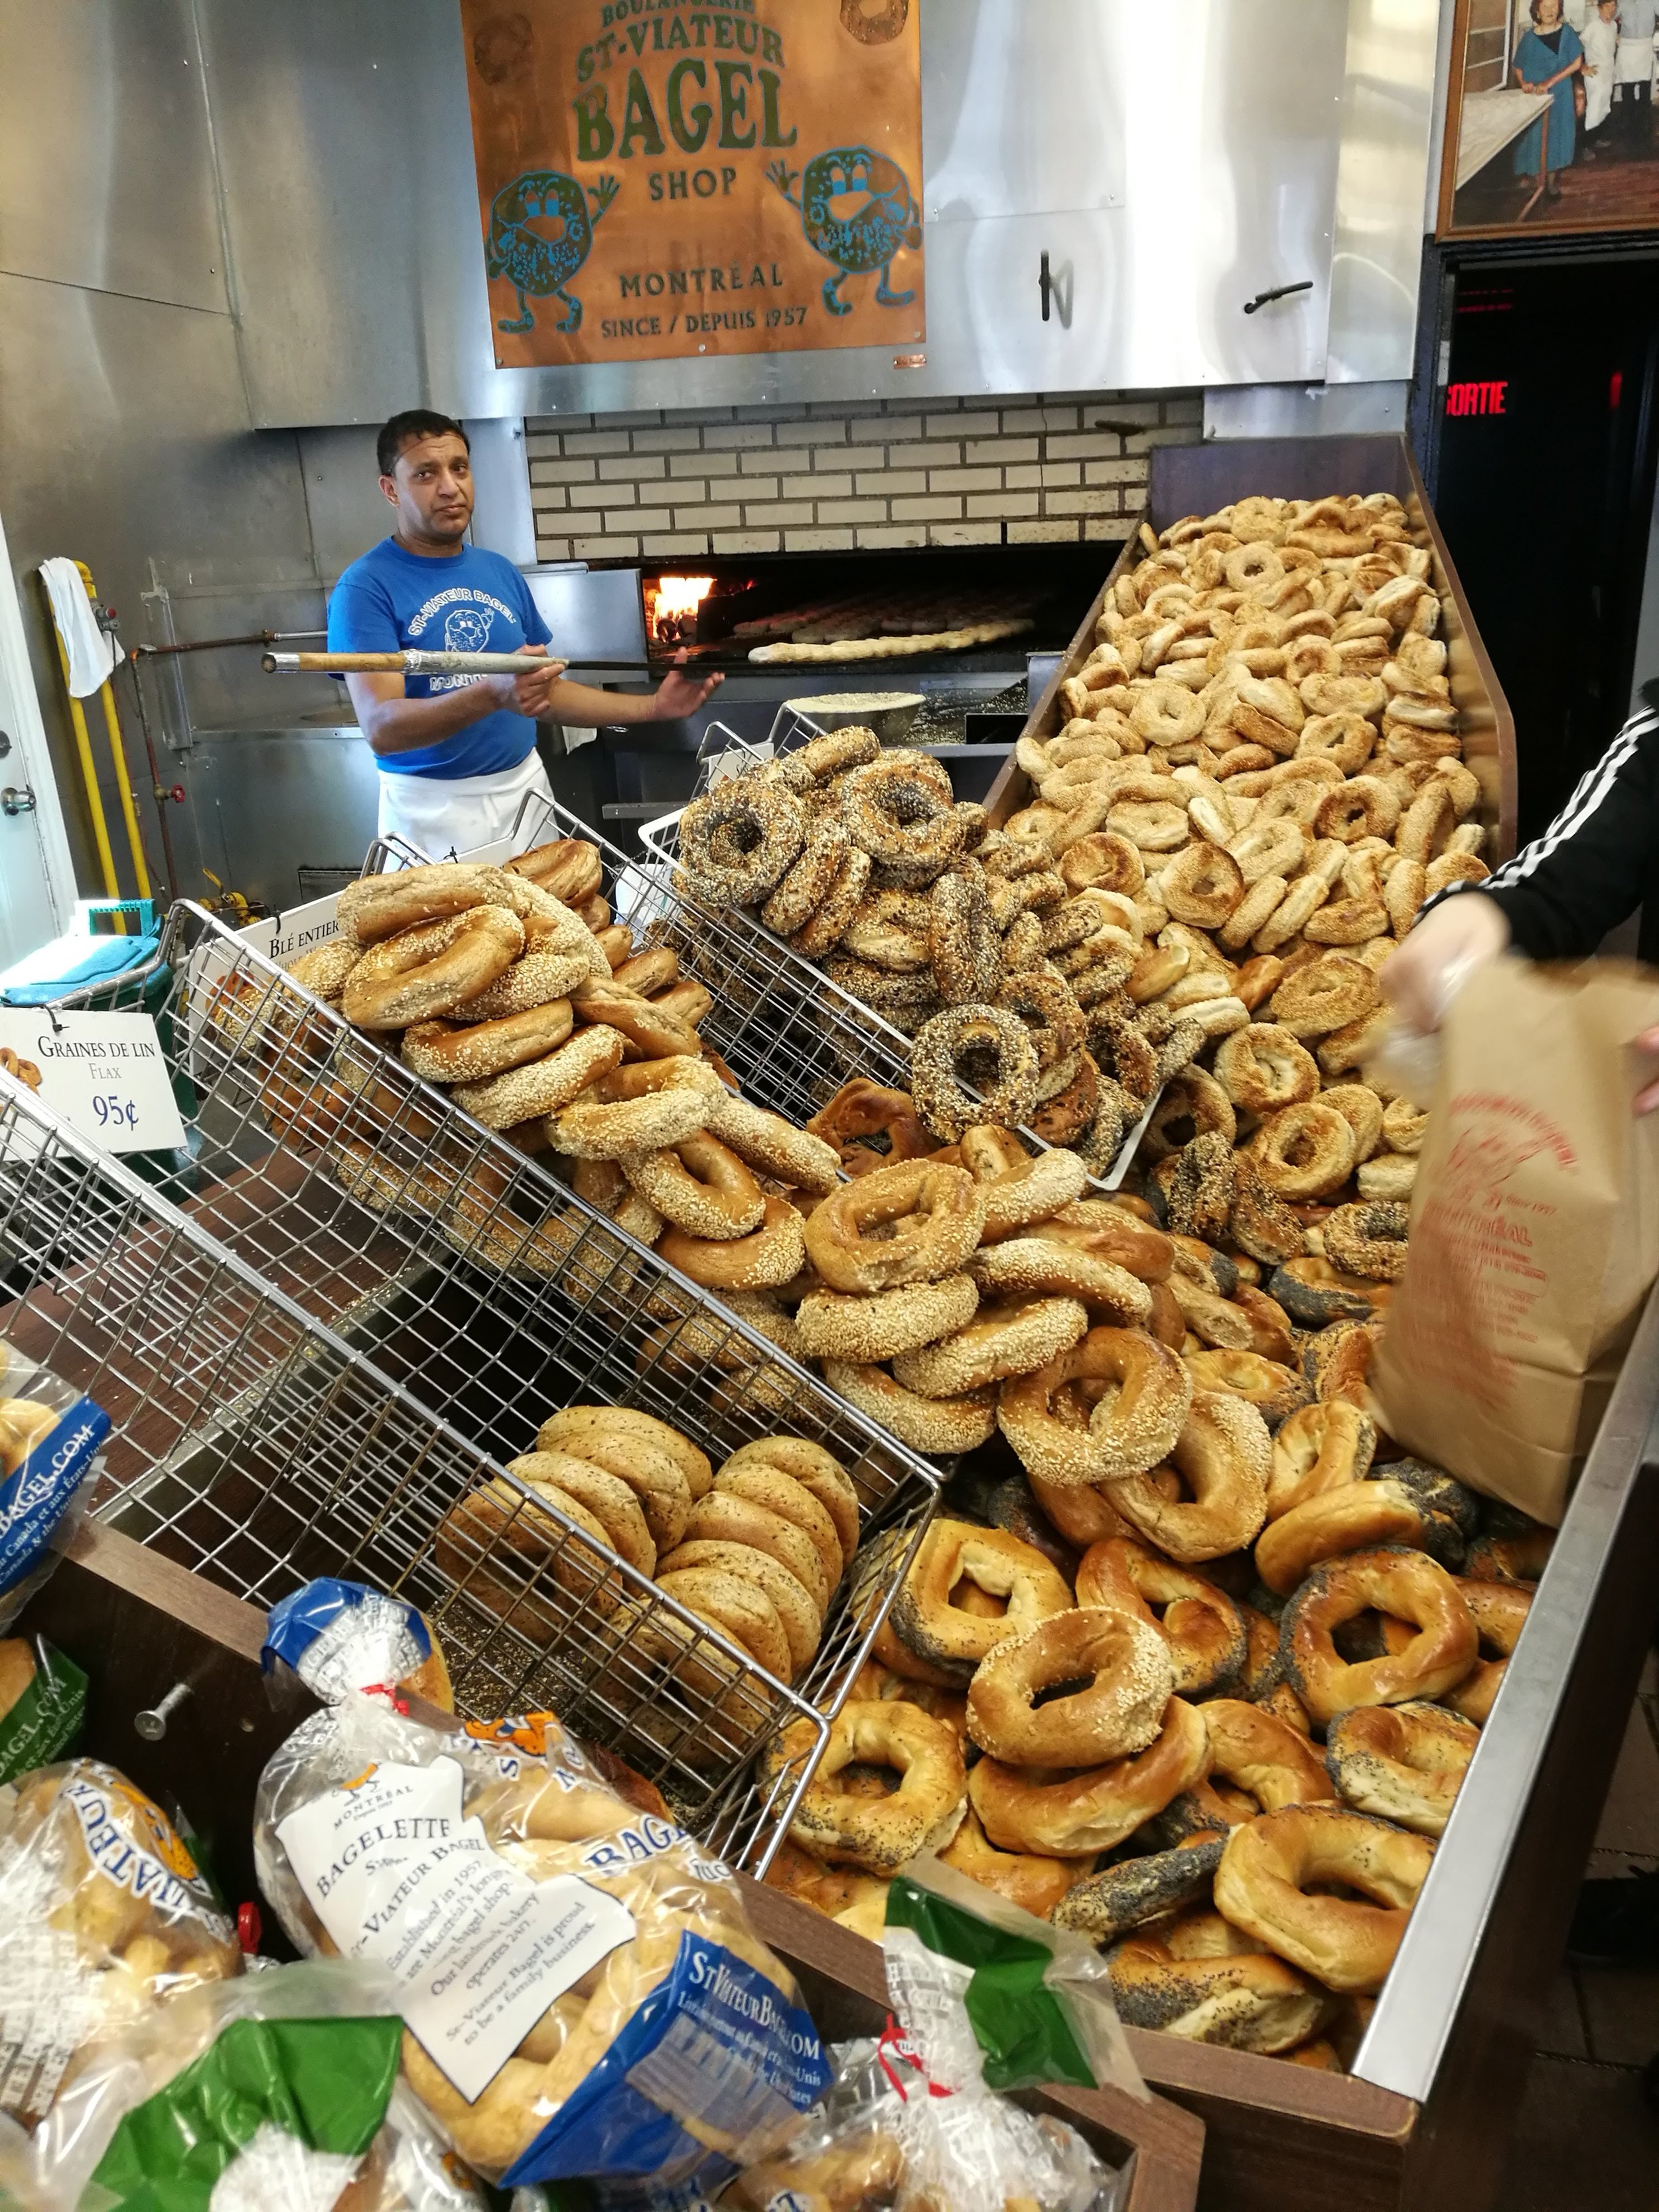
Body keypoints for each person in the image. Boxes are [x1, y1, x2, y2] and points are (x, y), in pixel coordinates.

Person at [328, 409, 722, 855]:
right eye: (425, 473)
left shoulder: (497, 571)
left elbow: (543, 694)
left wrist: (654, 707)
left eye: (459, 468)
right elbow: (382, 727)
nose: (449, 486)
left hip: (524, 794)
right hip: (431, 812)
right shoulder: (365, 587)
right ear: (391, 490)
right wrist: (491, 693)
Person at [1512, 0, 1587, 196]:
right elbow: (1518, 67)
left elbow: (1577, 62)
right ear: (1537, 10)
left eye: (1554, 6)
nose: (1550, 10)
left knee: (1558, 138)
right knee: (1534, 139)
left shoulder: (1568, 33)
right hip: (1536, 97)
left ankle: (1551, 183)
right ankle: (1534, 181)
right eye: (1545, 6)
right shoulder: (1529, 38)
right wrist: (1524, 84)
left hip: (1560, 95)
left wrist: (1550, 82)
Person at [1615, 0, 1659, 151]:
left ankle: (1643, 125)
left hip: (1645, 47)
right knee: (1627, 88)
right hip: (1627, 47)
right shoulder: (1622, 1)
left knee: (1645, 88)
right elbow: (1609, 16)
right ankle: (1628, 125)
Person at [1581, 0, 1620, 154]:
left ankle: (1596, 138)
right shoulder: (1593, 26)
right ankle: (1585, 145)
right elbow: (1578, 45)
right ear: (1599, 8)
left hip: (1608, 71)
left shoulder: (1614, 26)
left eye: (1614, 6)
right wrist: (1583, 67)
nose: (1611, 10)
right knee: (1594, 107)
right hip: (1595, 71)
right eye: (1607, 6)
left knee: (1605, 105)